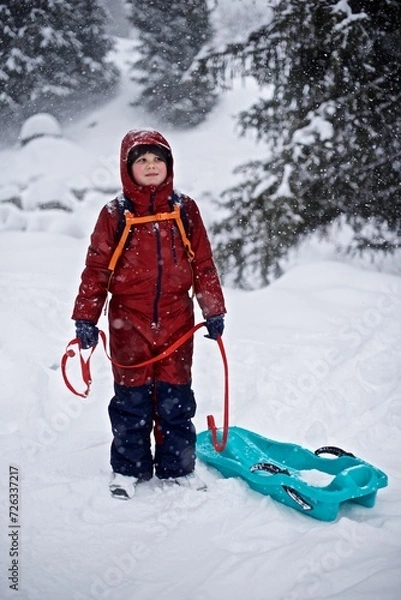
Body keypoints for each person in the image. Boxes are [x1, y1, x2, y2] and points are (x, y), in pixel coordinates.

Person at [71, 129, 226, 499]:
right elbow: (97, 270)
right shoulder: (115, 214)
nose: (151, 166)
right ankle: (129, 469)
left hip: (177, 319)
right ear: (128, 169)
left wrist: (213, 309)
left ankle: (177, 467)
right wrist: (86, 318)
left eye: (158, 159)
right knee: (131, 399)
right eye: (142, 160)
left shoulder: (184, 209)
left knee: (176, 398)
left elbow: (202, 263)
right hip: (129, 321)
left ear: (168, 166)